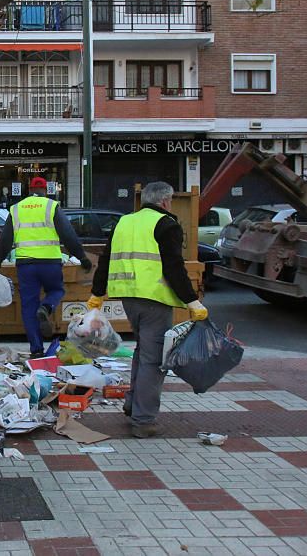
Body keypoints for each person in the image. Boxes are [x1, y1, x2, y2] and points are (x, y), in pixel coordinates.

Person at [88, 181, 207, 439]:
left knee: (144, 351)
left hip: (127, 297)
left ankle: (133, 404)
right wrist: (193, 302)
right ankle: (144, 420)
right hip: (154, 299)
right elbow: (174, 267)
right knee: (154, 361)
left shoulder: (123, 222)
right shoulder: (166, 224)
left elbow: (106, 259)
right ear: (165, 201)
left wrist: (97, 294)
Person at [0, 177, 91, 358]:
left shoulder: (17, 208)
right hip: (50, 263)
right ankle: (47, 306)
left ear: (29, 190)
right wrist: (82, 257)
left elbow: (5, 239)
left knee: (28, 306)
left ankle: (36, 350)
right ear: (46, 190)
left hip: (25, 265)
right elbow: (68, 234)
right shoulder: (51, 206)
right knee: (56, 290)